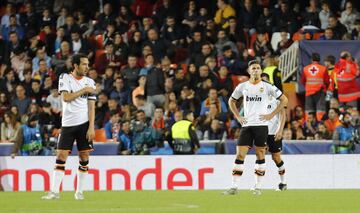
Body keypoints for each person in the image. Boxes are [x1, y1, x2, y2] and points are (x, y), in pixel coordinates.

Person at [223, 60, 288, 195]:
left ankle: (261, 186)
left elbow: (284, 102)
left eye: (258, 68)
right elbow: (231, 100)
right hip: (247, 126)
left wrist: (272, 116)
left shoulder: (269, 87)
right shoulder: (242, 86)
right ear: (249, 71)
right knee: (240, 154)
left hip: (264, 128)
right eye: (254, 68)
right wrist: (238, 117)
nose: (256, 70)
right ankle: (234, 186)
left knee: (268, 156)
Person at [42, 54, 96, 200]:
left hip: (84, 124)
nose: (87, 67)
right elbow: (66, 98)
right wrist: (84, 90)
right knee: (61, 155)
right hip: (67, 125)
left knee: (84, 156)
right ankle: (54, 192)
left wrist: (91, 127)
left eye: (87, 64)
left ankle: (79, 192)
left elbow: (91, 107)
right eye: (84, 64)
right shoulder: (64, 78)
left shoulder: (90, 81)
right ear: (76, 65)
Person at [261, 73, 287, 191]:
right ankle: (258, 185)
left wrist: (280, 130)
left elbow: (282, 114)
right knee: (259, 155)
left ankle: (283, 182)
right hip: (260, 131)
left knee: (276, 157)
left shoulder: (277, 97)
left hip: (274, 132)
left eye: (265, 81)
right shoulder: (255, 98)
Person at [301, 53, 329, 121]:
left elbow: (303, 81)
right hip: (320, 92)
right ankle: (321, 126)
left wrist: (308, 87)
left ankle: (308, 126)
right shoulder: (323, 68)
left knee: (309, 110)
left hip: (308, 92)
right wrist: (325, 89)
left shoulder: (305, 69)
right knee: (320, 110)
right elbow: (327, 81)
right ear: (319, 60)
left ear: (311, 59)